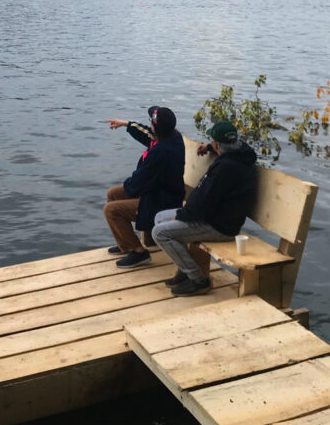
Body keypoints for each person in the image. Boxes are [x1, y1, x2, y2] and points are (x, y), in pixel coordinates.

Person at [151, 119, 257, 296]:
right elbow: (204, 200)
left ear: (217, 144)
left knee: (160, 232)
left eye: (212, 142)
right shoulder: (241, 154)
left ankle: (199, 280)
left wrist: (182, 216)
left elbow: (204, 201)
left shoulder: (226, 168)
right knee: (160, 217)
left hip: (220, 226)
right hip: (218, 217)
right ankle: (184, 270)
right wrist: (208, 148)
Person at [103, 106, 185, 268]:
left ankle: (139, 252)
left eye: (152, 123)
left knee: (111, 210)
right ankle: (125, 245)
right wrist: (126, 124)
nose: (150, 126)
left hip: (161, 202)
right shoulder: (171, 138)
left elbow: (136, 185)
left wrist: (129, 186)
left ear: (157, 128)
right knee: (113, 194)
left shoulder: (161, 152)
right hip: (158, 192)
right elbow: (146, 133)